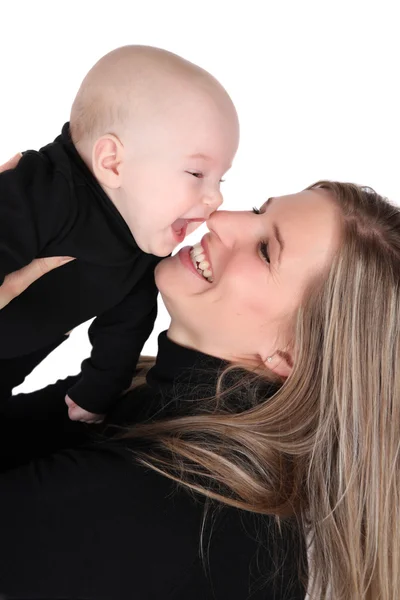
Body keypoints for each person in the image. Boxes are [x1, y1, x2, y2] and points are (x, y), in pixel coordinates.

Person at [1, 177, 399, 600]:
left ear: (291, 355)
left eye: (266, 251)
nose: (221, 218)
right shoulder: (137, 394)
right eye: (259, 211)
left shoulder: (165, 505)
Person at [0, 45, 239, 423]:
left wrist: (99, 389)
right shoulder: (45, 192)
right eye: (196, 174)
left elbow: (128, 324)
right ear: (113, 162)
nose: (216, 197)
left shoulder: (143, 241)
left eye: (220, 178)